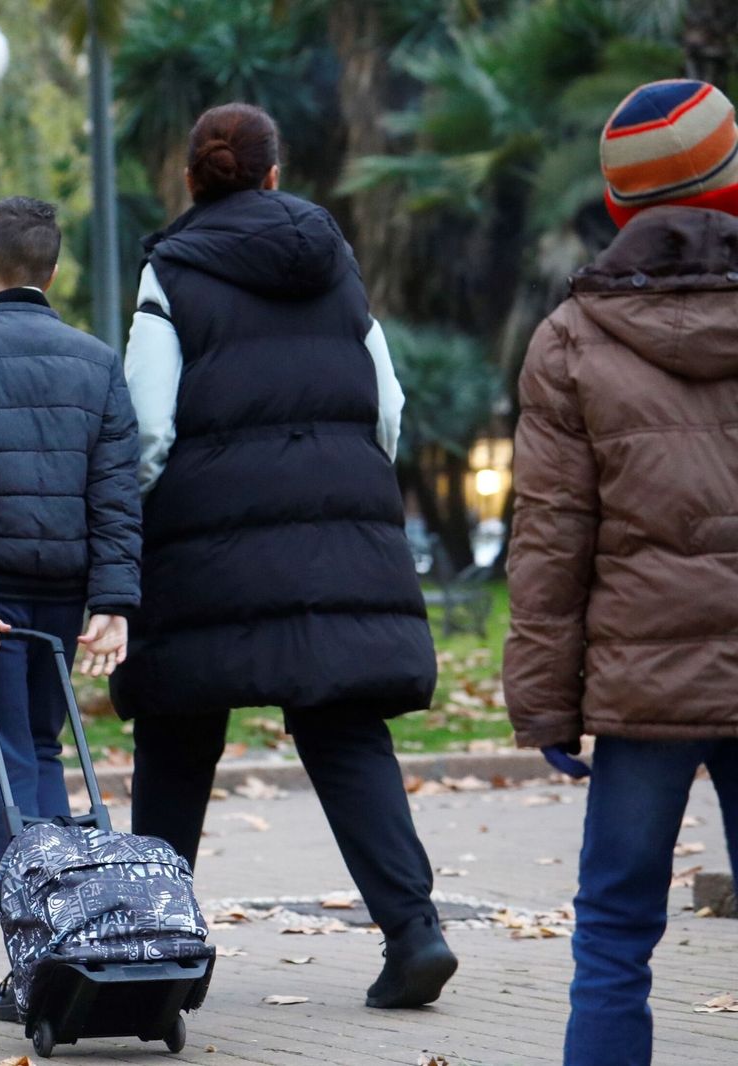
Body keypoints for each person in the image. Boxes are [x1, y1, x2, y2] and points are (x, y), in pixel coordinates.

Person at [112, 103, 456, 1009]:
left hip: (206, 550)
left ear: (191, 180)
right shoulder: (337, 267)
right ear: (273, 175)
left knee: (179, 732)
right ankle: (414, 931)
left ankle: (155, 951)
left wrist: (144, 519)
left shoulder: (170, 273)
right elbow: (386, 406)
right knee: (343, 728)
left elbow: (146, 427)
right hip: (334, 537)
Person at [504, 79, 738, 1066]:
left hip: (643, 689)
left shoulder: (570, 340)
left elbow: (551, 543)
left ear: (617, 207)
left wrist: (546, 705)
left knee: (612, 929)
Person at [0, 196, 142, 1022]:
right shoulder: (95, 359)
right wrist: (112, 603)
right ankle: (74, 944)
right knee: (43, 754)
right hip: (69, 588)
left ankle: (39, 959)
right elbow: (118, 491)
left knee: (7, 767)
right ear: (51, 270)